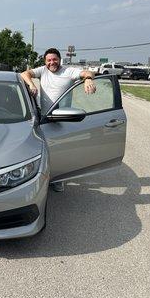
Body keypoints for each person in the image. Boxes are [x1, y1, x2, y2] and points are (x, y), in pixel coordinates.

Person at [21, 48, 96, 192]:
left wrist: (88, 79)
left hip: (63, 117)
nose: (51, 62)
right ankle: (45, 176)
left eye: (54, 59)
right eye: (49, 60)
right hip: (45, 118)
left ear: (60, 60)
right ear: (45, 62)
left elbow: (88, 72)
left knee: (62, 150)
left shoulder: (69, 71)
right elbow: (25, 73)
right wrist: (31, 84)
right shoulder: (43, 71)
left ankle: (59, 179)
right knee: (46, 150)